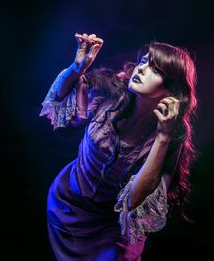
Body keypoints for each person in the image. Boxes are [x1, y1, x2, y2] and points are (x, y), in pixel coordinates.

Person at [39, 33, 198, 261]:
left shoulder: (173, 133)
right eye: (143, 62)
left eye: (155, 69)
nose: (142, 69)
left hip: (111, 227)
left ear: (171, 90)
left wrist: (163, 137)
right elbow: (62, 113)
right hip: (67, 206)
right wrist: (77, 68)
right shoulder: (109, 91)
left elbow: (134, 200)